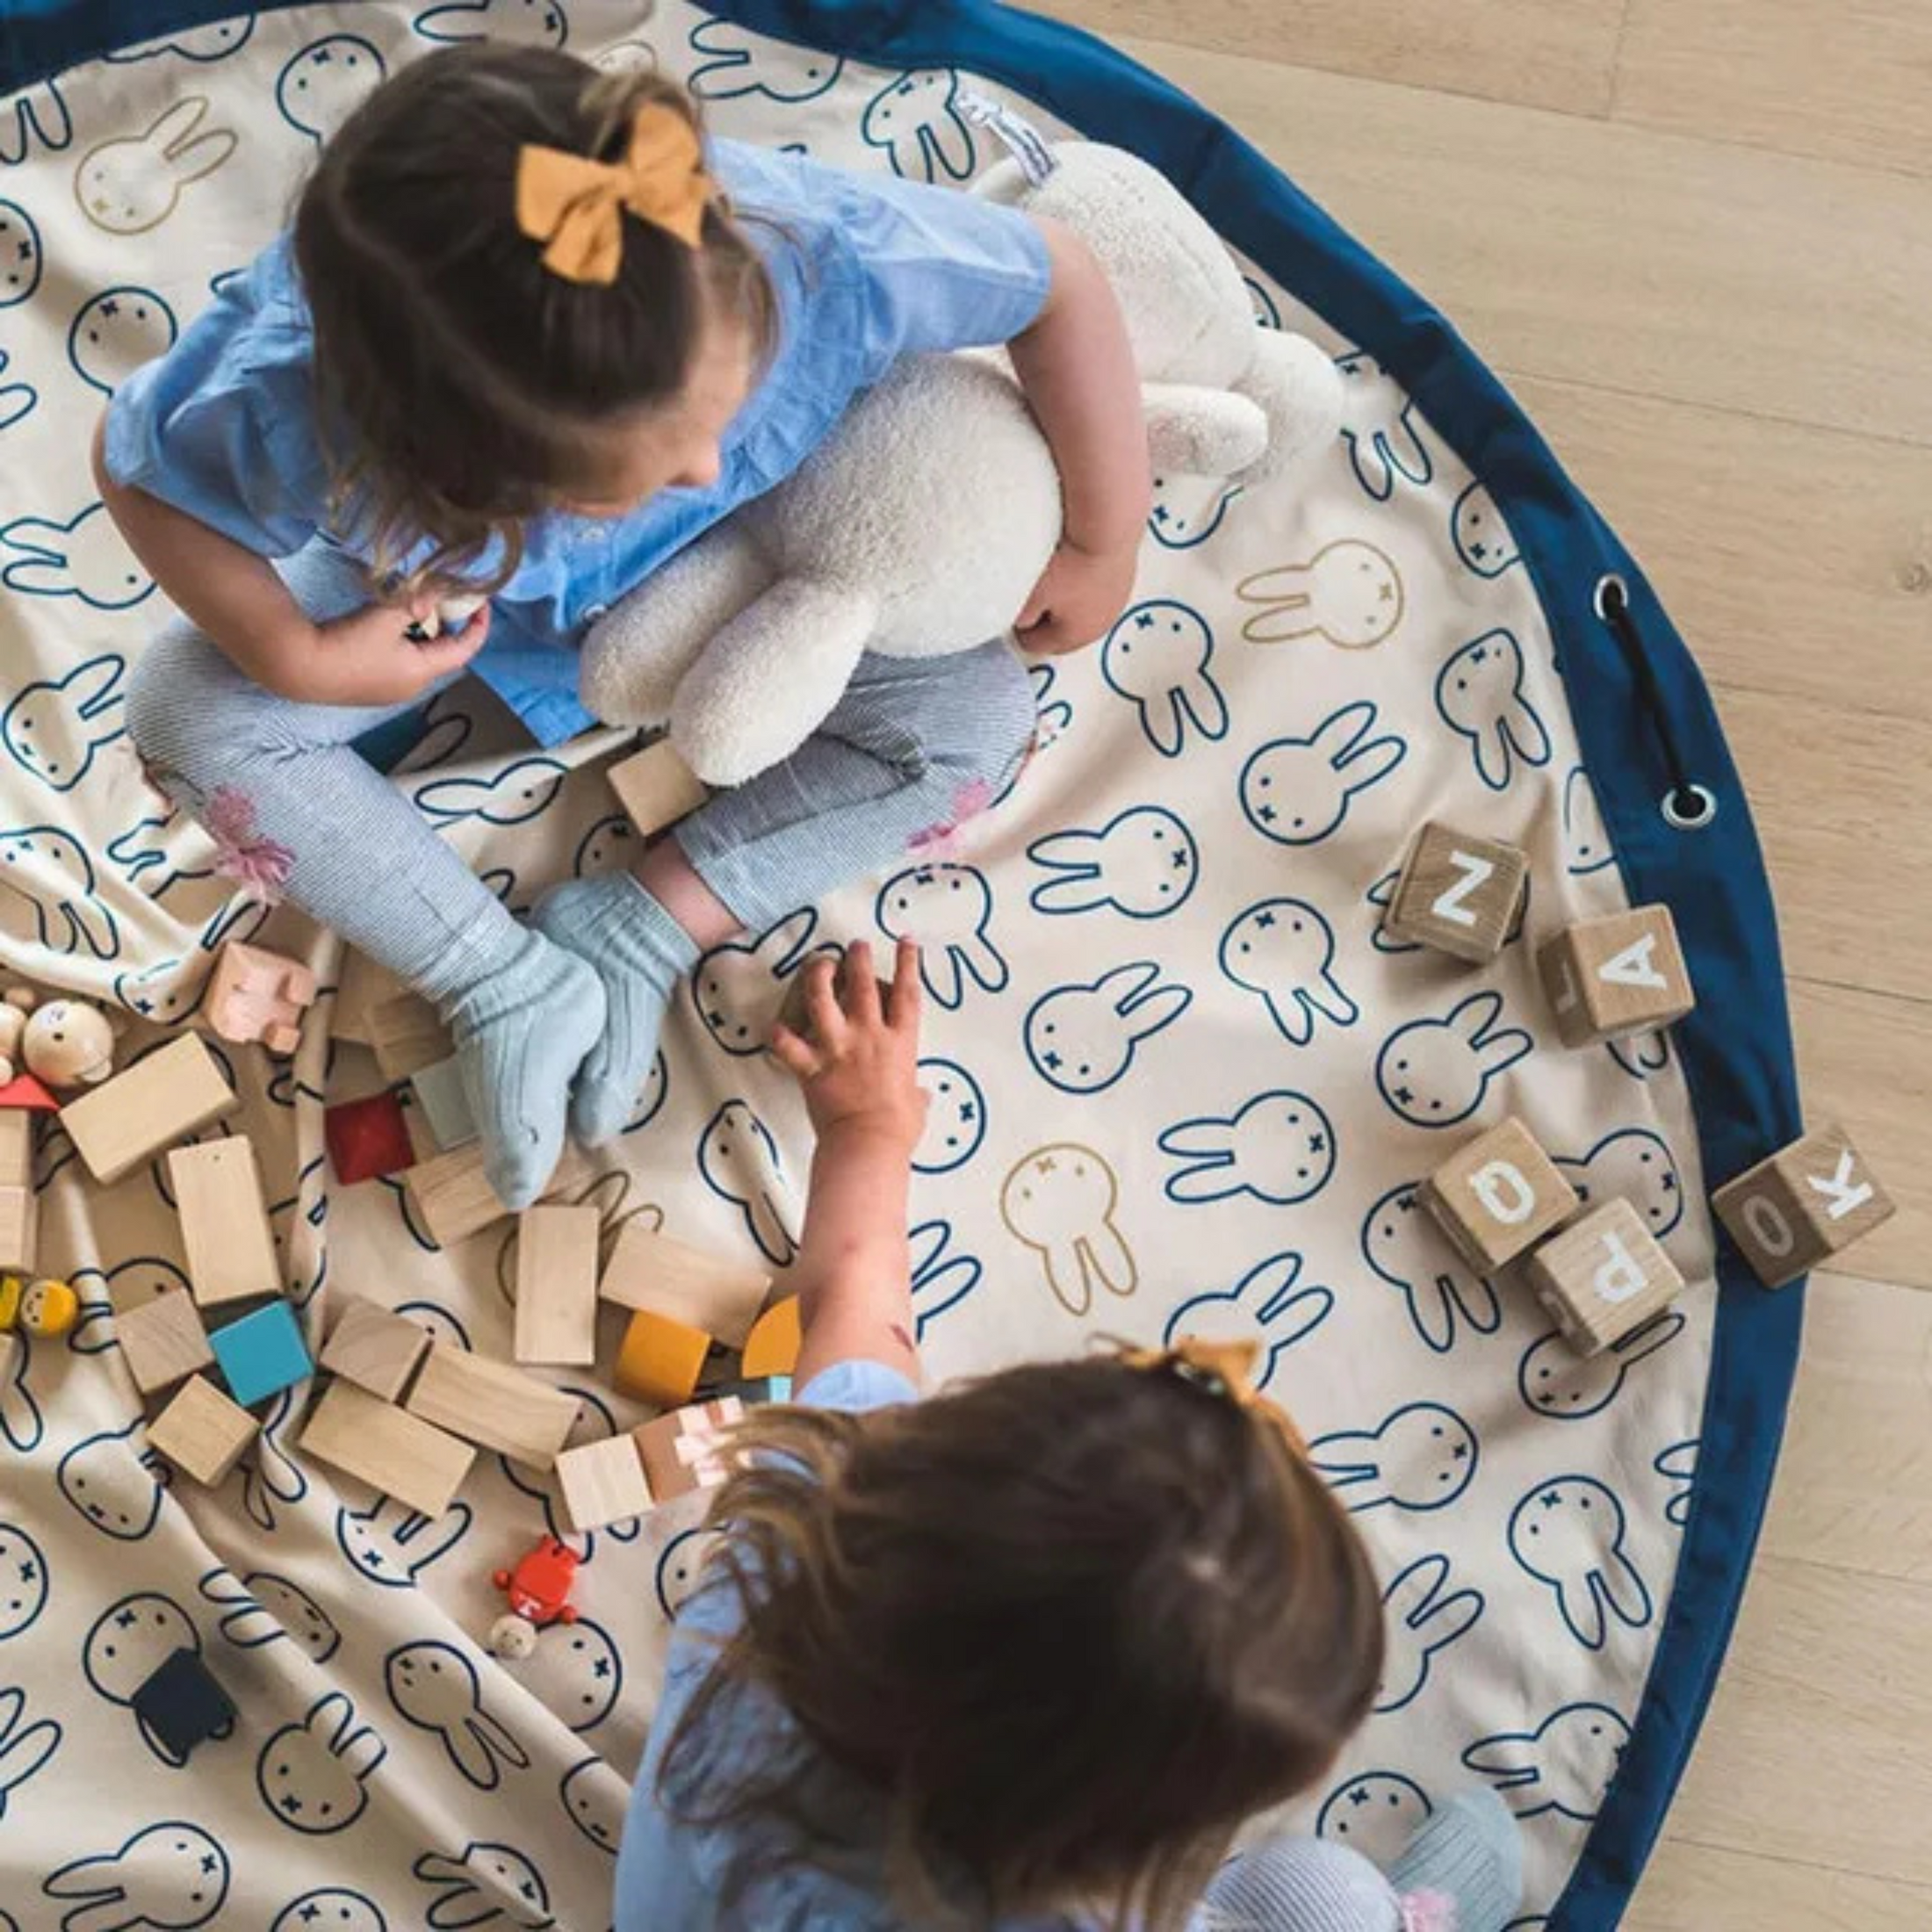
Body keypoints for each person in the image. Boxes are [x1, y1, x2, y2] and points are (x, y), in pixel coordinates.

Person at [105, 45, 1147, 1206]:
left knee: (982, 724)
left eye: (722, 410)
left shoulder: (821, 246)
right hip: (478, 623)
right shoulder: (296, 395)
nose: (703, 461)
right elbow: (136, 472)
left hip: (768, 573)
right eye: (639, 474)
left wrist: (1107, 534)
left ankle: (645, 920)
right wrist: (293, 653)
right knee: (184, 706)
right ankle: (501, 979)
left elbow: (1061, 277)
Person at [616, 938, 1524, 1931]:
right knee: (1332, 1899)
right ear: (1140, 1842)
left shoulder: (775, 1586)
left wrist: (867, 1126)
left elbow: (851, 1295)